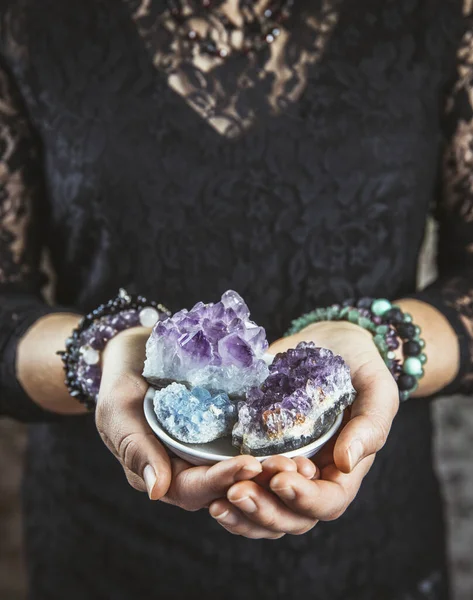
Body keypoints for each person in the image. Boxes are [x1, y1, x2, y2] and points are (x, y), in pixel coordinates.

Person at [0, 0, 472, 598]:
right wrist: (104, 356)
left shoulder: (439, 13)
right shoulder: (32, 18)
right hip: (105, 544)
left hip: (368, 549)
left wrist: (382, 342)